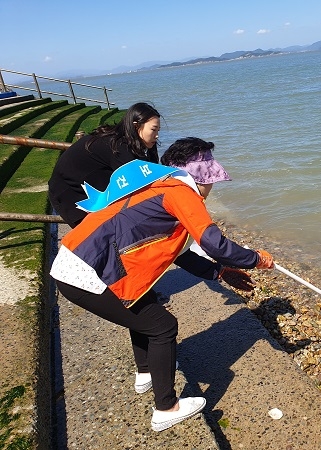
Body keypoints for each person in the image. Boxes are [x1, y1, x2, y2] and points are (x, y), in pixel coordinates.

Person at [50, 138, 275, 431]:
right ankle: (167, 407)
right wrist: (256, 258)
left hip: (74, 262)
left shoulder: (157, 189)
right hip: (84, 272)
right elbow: (213, 243)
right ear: (200, 177)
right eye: (211, 179)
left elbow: (183, 256)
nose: (212, 187)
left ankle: (146, 373)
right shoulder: (181, 193)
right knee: (163, 326)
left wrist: (220, 272)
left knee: (142, 304)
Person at [47, 102, 252, 290]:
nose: (156, 136)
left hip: (96, 184)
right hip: (70, 193)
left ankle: (131, 285)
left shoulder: (140, 146)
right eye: (153, 130)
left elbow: (156, 176)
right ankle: (112, 288)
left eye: (158, 130)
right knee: (106, 238)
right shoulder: (119, 148)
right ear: (137, 126)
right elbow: (143, 190)